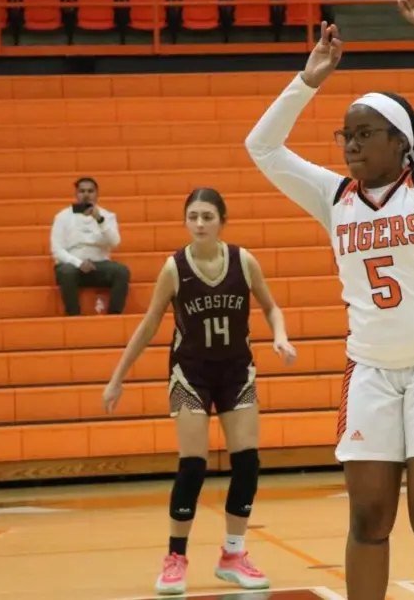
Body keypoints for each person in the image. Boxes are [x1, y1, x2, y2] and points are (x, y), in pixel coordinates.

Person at [243, 0, 414, 600]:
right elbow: (261, 146)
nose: (350, 143)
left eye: (364, 133)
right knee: (368, 518)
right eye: (345, 135)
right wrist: (307, 81)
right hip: (370, 370)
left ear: (400, 143)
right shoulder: (334, 197)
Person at [101, 187, 297, 596]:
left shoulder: (243, 261)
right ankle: (175, 558)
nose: (200, 223)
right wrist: (118, 377)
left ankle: (233, 555)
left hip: (236, 372)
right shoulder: (175, 268)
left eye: (208, 216)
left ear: (222, 221)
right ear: (185, 221)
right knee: (193, 466)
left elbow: (270, 306)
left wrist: (279, 335)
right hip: (190, 374)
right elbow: (150, 324)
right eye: (193, 216)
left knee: (247, 463)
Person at [50, 176, 129, 316]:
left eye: (90, 191)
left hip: (99, 265)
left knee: (122, 272)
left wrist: (100, 220)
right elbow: (57, 249)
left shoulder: (107, 216)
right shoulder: (62, 217)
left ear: (97, 194)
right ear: (76, 194)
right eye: (82, 191)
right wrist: (79, 263)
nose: (86, 195)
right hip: (72, 264)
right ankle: (73, 316)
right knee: (67, 272)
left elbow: (115, 242)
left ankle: (114, 316)